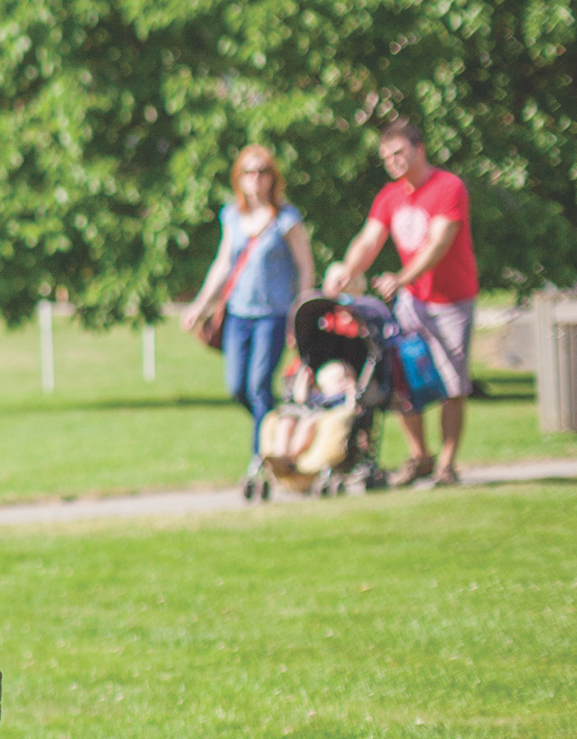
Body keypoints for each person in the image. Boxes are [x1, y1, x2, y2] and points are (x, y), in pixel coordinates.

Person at [327, 114, 477, 484]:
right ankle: (419, 457)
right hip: (413, 300)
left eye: (399, 152)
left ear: (419, 149)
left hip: (451, 301)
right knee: (401, 377)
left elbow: (438, 242)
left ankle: (446, 464)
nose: (393, 161)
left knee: (452, 384)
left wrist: (401, 277)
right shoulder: (390, 196)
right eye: (386, 157)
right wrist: (348, 270)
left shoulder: (448, 187)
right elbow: (369, 239)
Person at [184, 142, 316, 489]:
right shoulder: (232, 215)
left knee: (258, 386)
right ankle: (274, 426)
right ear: (238, 178)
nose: (256, 178)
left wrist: (299, 314)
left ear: (273, 178)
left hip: (272, 316)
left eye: (263, 172)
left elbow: (305, 267)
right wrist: (200, 305)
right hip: (238, 315)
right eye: (249, 172)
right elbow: (223, 264)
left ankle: (259, 459)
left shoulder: (286, 219)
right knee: (236, 387)